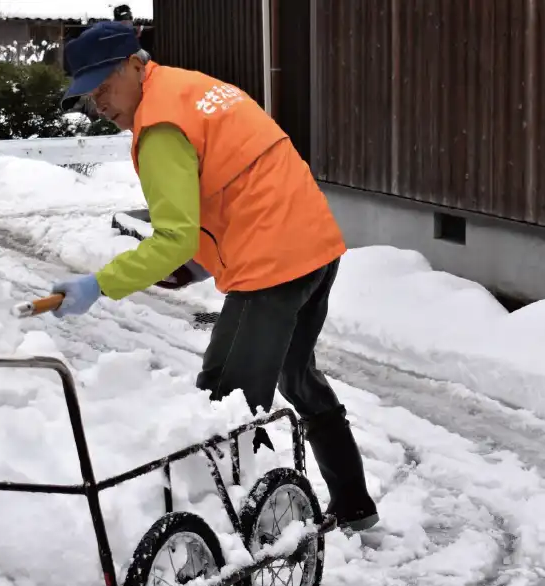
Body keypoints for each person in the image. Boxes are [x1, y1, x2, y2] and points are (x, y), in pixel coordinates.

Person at [51, 21, 379, 532]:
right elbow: (234, 180)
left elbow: (173, 236)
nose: (101, 103)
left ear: (136, 65)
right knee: (295, 376)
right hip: (314, 244)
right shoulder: (190, 88)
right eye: (90, 94)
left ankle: (232, 538)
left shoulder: (159, 125)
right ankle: (354, 503)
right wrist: (202, 262)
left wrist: (101, 284)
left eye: (105, 86)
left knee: (221, 403)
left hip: (273, 264)